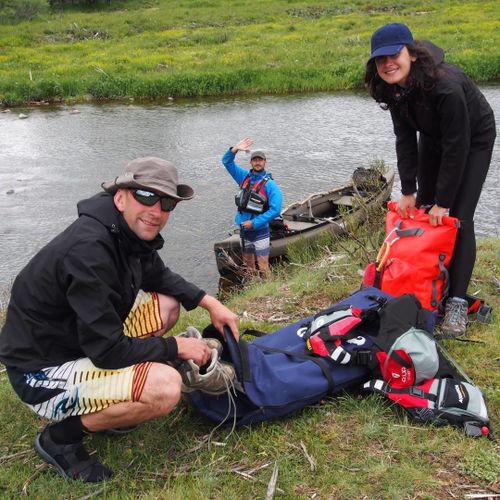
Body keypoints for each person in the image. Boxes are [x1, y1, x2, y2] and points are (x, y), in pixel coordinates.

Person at [0, 157, 239, 483]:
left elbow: (159, 275)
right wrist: (177, 347)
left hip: (77, 342)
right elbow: (106, 351)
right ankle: (61, 438)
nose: (156, 210)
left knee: (168, 304)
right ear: (120, 196)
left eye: (166, 202)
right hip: (39, 371)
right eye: (145, 196)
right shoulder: (90, 250)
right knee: (166, 387)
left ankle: (111, 402)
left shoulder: (123, 230)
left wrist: (209, 302)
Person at [364, 23, 496, 338]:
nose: (387, 64)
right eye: (380, 59)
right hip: (434, 137)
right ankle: (431, 283)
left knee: (457, 218)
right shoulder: (392, 87)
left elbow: (457, 146)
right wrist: (408, 190)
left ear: (410, 52)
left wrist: (445, 202)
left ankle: (457, 303)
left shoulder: (446, 86)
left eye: (394, 55)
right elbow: (405, 138)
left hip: (472, 138)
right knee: (423, 208)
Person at [221, 138, 283, 277]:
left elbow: (276, 210)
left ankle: (269, 292)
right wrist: (234, 149)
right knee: (248, 265)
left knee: (263, 266)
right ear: (251, 162)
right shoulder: (243, 177)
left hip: (260, 231)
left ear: (265, 162)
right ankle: (253, 289)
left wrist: (254, 223)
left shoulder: (270, 185)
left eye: (260, 160)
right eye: (254, 160)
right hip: (245, 230)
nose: (257, 162)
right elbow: (227, 162)